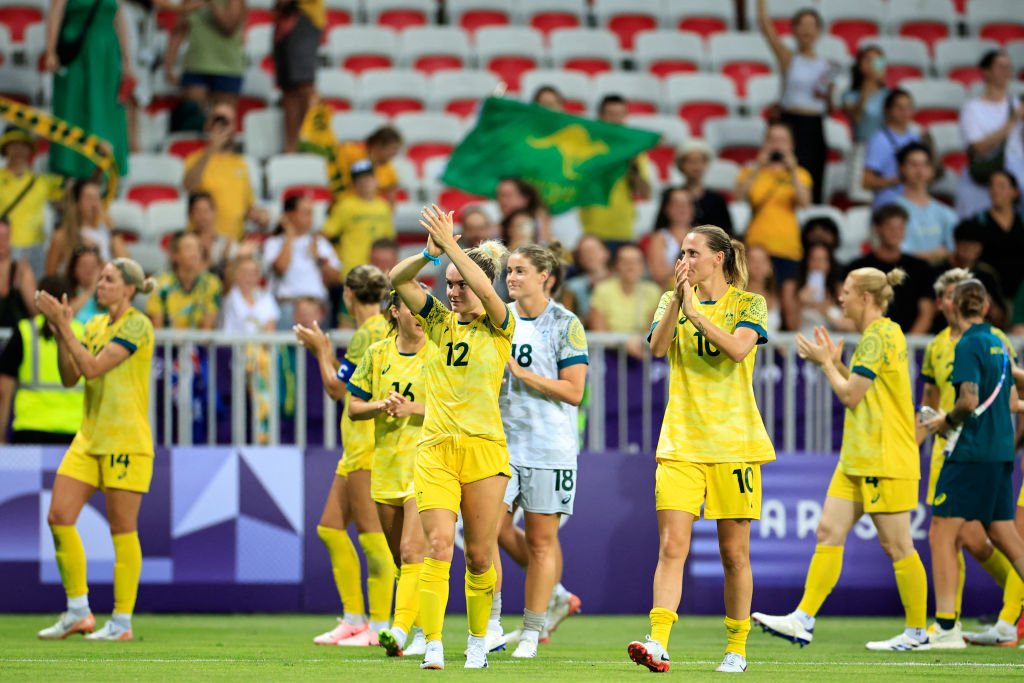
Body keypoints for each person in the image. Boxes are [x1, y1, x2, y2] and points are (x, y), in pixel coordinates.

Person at [754, 267, 930, 652]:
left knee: (898, 546)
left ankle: (918, 632)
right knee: (827, 533)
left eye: (847, 291)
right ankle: (803, 619)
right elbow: (866, 391)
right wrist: (836, 365)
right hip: (858, 457)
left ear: (866, 298)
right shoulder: (884, 334)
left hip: (883, 457)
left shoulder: (877, 336)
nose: (840, 298)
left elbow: (850, 396)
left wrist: (826, 364)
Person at [628, 225, 774, 674]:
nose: (684, 260)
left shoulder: (750, 304)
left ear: (719, 259)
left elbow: (736, 350)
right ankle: (658, 642)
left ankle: (736, 648)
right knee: (672, 546)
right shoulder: (671, 300)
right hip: (681, 443)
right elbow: (655, 348)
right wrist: (678, 303)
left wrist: (695, 313)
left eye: (693, 253)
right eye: (681, 252)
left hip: (735, 445)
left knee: (734, 554)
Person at [388, 205, 513, 670]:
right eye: (450, 285)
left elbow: (485, 290)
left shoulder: (501, 325)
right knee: (438, 544)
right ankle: (435, 643)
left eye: (460, 284)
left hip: (484, 451)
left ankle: (479, 640)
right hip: (436, 449)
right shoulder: (438, 323)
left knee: (480, 556)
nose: (452, 291)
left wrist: (456, 251)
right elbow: (398, 280)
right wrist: (429, 254)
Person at [34, 257, 156, 641]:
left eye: (108, 280)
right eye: (100, 278)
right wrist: (59, 330)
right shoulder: (94, 325)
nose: (99, 285)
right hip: (88, 440)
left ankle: (121, 622)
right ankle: (78, 610)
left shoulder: (137, 325)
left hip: (126, 441)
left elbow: (92, 368)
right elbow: (71, 376)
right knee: (59, 515)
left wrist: (66, 327)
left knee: (122, 530)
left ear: (129, 289)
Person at [494, 243, 588, 659]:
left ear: (543, 277)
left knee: (540, 542)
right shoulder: (499, 319)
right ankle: (491, 624)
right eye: (509, 271)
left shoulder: (565, 324)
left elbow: (574, 392)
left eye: (520, 271)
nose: (511, 278)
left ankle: (532, 632)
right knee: (488, 529)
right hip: (500, 443)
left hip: (549, 448)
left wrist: (523, 376)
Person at [294, 264, 394, 646]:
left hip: (367, 445)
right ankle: (354, 619)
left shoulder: (365, 334)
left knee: (373, 538)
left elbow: (337, 389)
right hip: (359, 445)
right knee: (330, 528)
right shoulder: (382, 328)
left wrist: (321, 351)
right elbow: (356, 384)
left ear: (348, 295)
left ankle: (380, 625)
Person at [922, 279, 1024, 648]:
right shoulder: (998, 341)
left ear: (955, 305)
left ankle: (946, 627)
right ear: (984, 307)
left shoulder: (966, 344)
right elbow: (1013, 396)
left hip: (971, 449)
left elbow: (967, 400)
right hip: (999, 448)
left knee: (942, 532)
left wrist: (942, 422)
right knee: (1004, 534)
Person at [349, 288, 433, 659]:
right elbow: (353, 407)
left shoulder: (439, 351)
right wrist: (380, 405)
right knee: (403, 562)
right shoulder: (377, 353)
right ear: (395, 311)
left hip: (427, 465)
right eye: (412, 306)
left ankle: (400, 631)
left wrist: (413, 408)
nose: (420, 313)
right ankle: (422, 631)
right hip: (385, 467)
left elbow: (457, 408)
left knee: (413, 551)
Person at [757, 0, 836, 204]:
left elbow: (829, 107)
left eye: (812, 25)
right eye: (802, 25)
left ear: (819, 31)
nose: (807, 30)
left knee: (813, 175)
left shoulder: (827, 66)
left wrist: (830, 95)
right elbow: (766, 28)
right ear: (794, 30)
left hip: (815, 125)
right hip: (790, 123)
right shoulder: (788, 58)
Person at [44, 0, 131, 180]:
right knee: (74, 108)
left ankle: (105, 168)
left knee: (106, 109)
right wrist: (51, 50)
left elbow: (120, 20)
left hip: (107, 52)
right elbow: (55, 12)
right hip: (77, 51)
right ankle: (70, 169)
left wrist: (127, 60)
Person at [0, 275, 83, 444]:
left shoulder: (25, 331)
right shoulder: (83, 332)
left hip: (30, 430)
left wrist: (1, 437)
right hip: (75, 432)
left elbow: (3, 391)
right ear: (69, 300)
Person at [735, 122, 812, 282]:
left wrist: (792, 172)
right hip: (757, 246)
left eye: (782, 140)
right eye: (772, 140)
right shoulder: (750, 171)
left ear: (791, 145)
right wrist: (758, 167)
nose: (777, 145)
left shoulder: (800, 174)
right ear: (765, 143)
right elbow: (738, 197)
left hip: (787, 247)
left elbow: (804, 203)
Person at [182, 104, 270, 240]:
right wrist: (212, 148)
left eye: (227, 122)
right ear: (208, 125)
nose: (222, 126)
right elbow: (189, 186)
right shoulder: (195, 159)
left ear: (234, 128)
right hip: (202, 242)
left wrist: (259, 215)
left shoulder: (240, 164)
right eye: (217, 120)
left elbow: (247, 206)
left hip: (233, 242)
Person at [845, 204, 935, 333]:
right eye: (890, 227)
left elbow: (926, 313)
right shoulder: (858, 267)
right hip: (867, 341)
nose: (895, 232)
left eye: (900, 227)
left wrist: (905, 345)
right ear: (878, 228)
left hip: (909, 345)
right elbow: (850, 309)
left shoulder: (920, 268)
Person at [956, 49, 1024, 218]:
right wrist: (1011, 122)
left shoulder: (1017, 104)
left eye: (1008, 68)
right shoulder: (972, 108)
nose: (1005, 73)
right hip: (986, 177)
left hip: (1017, 175)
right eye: (1000, 67)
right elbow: (979, 147)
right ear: (986, 72)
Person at [579, 95, 653, 247]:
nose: (616, 120)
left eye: (620, 115)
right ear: (600, 117)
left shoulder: (635, 151)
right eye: (611, 114)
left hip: (624, 230)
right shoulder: (587, 149)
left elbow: (645, 193)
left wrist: (633, 166)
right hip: (592, 230)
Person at [262, 194, 340, 319]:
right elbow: (281, 268)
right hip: (287, 307)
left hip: (316, 307)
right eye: (305, 213)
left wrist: (319, 259)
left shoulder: (319, 243)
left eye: (311, 213)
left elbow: (336, 279)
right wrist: (289, 236)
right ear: (289, 215)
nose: (310, 218)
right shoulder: (273, 243)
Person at [0, 128, 64, 275]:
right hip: (3, 248)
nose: (19, 150)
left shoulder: (42, 181)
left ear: (29, 149)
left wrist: (99, 164)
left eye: (23, 145)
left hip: (35, 249)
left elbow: (80, 190)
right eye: (13, 144)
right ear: (5, 148)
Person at [163, 0, 246, 112]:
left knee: (222, 119)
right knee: (193, 117)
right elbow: (179, 30)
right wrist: (168, 65)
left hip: (227, 67)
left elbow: (229, 26)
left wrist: (211, 3)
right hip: (196, 65)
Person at [323, 160, 395, 279]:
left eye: (368, 178)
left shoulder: (384, 207)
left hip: (378, 269)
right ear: (354, 184)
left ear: (376, 180)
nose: (365, 183)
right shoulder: (344, 205)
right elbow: (326, 234)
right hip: (352, 268)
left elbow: (389, 239)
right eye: (359, 180)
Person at [961, 170, 1024, 303]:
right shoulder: (977, 222)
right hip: (990, 294)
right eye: (992, 186)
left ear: (1015, 192)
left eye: (1001, 186)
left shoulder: (1021, 221)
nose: (995, 191)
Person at [45, 178, 127, 276]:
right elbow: (50, 273)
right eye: (89, 199)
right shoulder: (62, 235)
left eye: (97, 198)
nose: (95, 204)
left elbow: (126, 264)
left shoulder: (107, 231)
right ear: (77, 203)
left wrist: (111, 225)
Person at [893, 143, 957, 266]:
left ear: (931, 170)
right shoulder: (892, 210)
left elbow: (953, 249)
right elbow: (895, 252)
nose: (920, 170)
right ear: (902, 168)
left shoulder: (946, 212)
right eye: (913, 165)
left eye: (925, 165)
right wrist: (936, 255)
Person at [587, 243, 662, 348]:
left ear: (643, 266)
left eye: (636, 261)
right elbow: (599, 332)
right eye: (625, 262)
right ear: (616, 265)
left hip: (643, 352)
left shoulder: (653, 291)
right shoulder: (602, 290)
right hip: (609, 353)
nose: (631, 266)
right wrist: (625, 346)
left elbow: (654, 331)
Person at [145, 232, 222, 330]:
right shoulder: (160, 283)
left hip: (198, 344)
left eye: (198, 248)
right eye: (188, 248)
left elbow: (207, 328)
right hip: (167, 343)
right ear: (175, 255)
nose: (195, 253)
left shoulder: (211, 283)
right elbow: (157, 326)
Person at [274, 0, 324, 152]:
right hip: (286, 18)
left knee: (304, 87)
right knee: (289, 89)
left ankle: (306, 142)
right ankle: (292, 145)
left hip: (303, 17)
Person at [862, 89, 922, 209]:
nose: (905, 113)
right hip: (889, 204)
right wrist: (897, 180)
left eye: (909, 108)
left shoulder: (915, 138)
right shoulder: (880, 140)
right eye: (900, 108)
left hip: (913, 202)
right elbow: (866, 181)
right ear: (888, 110)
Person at [781, 242, 850, 333]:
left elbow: (851, 327)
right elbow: (791, 326)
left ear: (829, 264)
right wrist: (799, 304)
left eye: (822, 260)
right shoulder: (792, 287)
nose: (818, 264)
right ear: (806, 263)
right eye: (813, 259)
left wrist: (825, 311)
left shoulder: (839, 289)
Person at [332, 126, 404, 204]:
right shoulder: (349, 152)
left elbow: (391, 199)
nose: (394, 154)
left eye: (396, 150)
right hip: (344, 205)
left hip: (369, 211)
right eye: (392, 149)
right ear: (378, 145)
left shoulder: (390, 171)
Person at [675, 139, 733, 234]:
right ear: (681, 165)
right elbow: (661, 230)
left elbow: (727, 233)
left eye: (700, 161)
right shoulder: (671, 197)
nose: (696, 166)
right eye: (690, 161)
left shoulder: (717, 200)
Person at [842, 45, 889, 148]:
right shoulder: (850, 95)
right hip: (862, 146)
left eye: (877, 61)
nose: (873, 64)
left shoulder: (889, 95)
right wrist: (866, 90)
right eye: (868, 60)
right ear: (860, 65)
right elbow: (856, 117)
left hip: (885, 145)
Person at [647, 187, 694, 289]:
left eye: (686, 204)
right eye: (676, 204)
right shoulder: (659, 237)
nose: (682, 208)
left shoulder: (704, 235)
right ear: (666, 208)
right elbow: (658, 274)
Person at [220, 254, 279, 333]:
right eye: (245, 272)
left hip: (259, 344)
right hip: (232, 344)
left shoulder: (266, 297)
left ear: (259, 275)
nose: (249, 276)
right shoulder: (229, 294)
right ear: (235, 274)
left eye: (254, 272)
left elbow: (270, 329)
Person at [0, 218, 38, 329]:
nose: (1, 242)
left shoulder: (22, 270)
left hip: (16, 335)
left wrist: (21, 285)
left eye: (5, 237)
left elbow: (35, 311)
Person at [563, 235, 609, 323]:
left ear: (606, 253)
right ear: (579, 258)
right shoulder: (572, 287)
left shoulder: (620, 281)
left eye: (593, 250)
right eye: (584, 252)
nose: (590, 255)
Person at [496, 178, 550, 243]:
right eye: (499, 196)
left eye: (508, 195)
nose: (502, 201)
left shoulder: (540, 223)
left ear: (525, 198)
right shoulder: (497, 228)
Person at [745, 244, 781, 337]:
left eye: (762, 261)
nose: (758, 265)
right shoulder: (737, 295)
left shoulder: (775, 295)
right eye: (753, 260)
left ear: (770, 266)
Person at [67, 245, 103, 324]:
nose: (89, 270)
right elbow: (67, 315)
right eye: (84, 265)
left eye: (93, 266)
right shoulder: (66, 292)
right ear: (74, 269)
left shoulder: (109, 291)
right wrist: (90, 289)